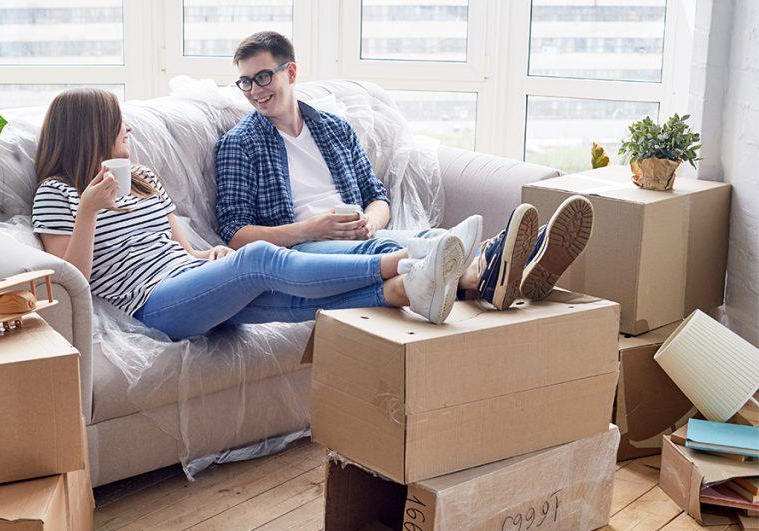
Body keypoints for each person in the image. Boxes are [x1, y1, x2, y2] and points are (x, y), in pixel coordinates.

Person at [31, 87, 469, 340]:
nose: (128, 128)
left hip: (190, 279)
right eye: (117, 122)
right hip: (154, 306)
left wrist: (213, 257)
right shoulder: (57, 194)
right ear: (90, 132)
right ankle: (409, 261)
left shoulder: (143, 177)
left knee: (295, 301)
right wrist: (87, 210)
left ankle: (410, 289)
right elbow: (74, 285)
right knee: (260, 257)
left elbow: (183, 250)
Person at [215, 30, 594, 311]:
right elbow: (234, 234)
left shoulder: (333, 129)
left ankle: (497, 270)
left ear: (291, 73)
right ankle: (494, 265)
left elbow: (376, 196)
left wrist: (371, 221)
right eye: (245, 81)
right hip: (305, 251)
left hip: (360, 233)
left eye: (263, 76)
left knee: (425, 235)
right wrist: (309, 229)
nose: (254, 90)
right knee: (384, 250)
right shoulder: (240, 144)